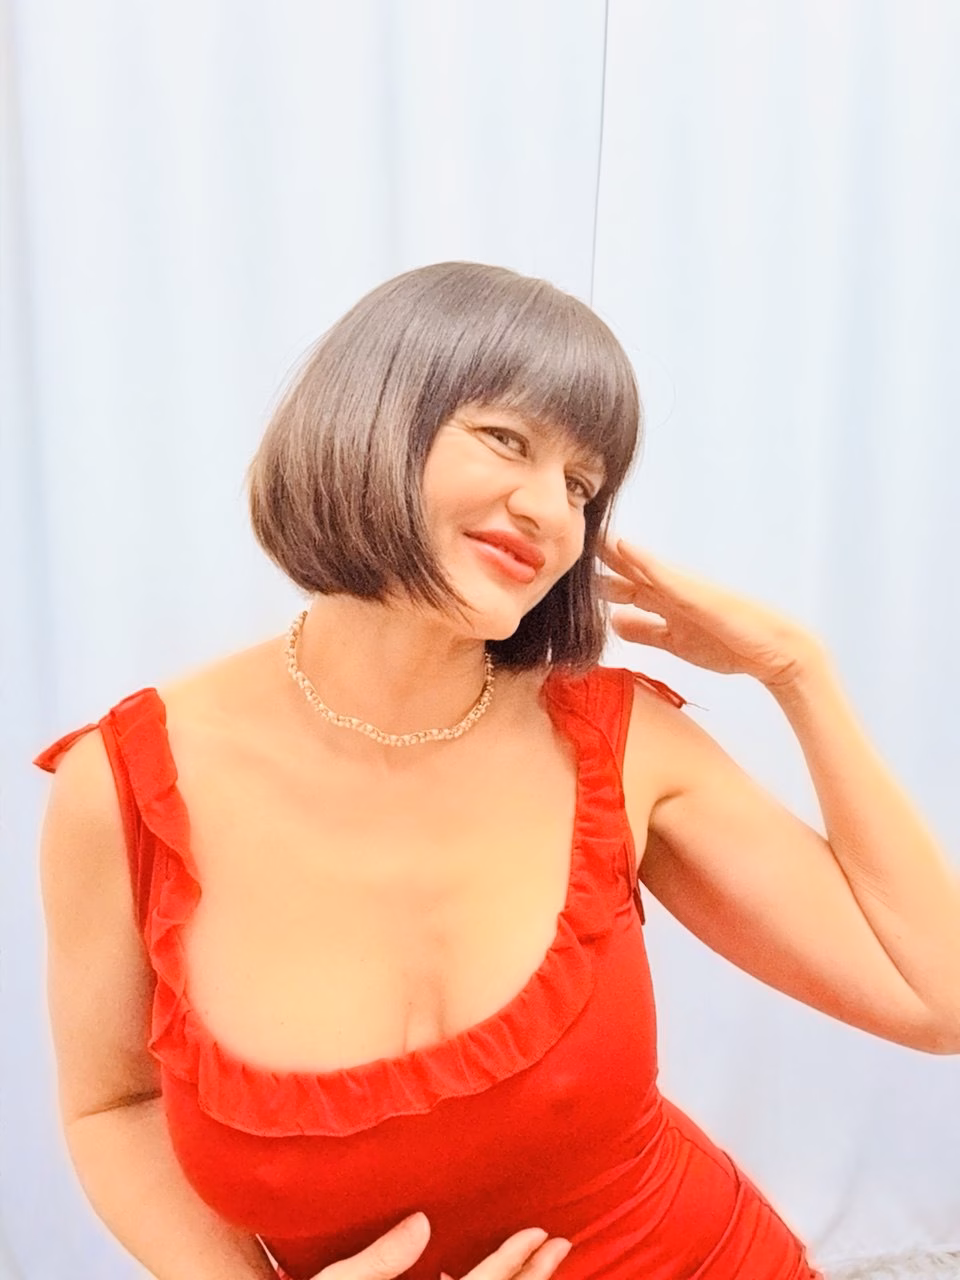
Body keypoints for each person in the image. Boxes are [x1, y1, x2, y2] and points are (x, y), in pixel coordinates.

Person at [33, 261, 959, 1280]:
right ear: (372, 417)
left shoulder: (617, 742)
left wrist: (798, 672)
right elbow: (113, 1106)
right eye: (507, 439)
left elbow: (937, 998)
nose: (551, 509)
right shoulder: (124, 787)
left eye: (582, 485)